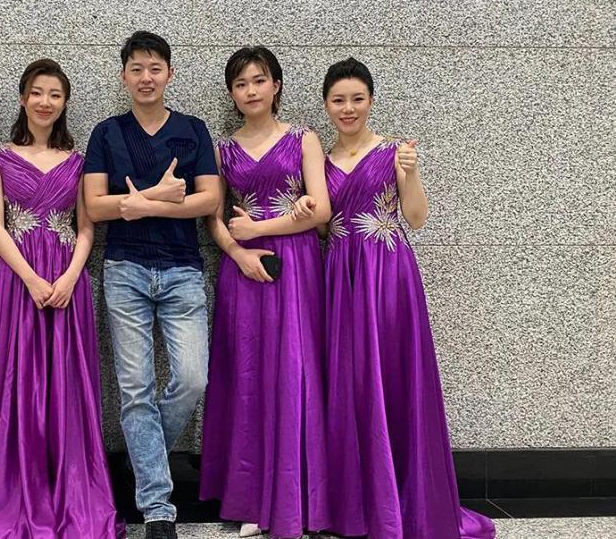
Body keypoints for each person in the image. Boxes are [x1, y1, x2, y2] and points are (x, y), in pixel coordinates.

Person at [321, 57, 496, 539]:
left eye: (357, 98)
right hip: (340, 276)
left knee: (393, 377)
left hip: (387, 275)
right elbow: (320, 224)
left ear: (371, 100)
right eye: (339, 100)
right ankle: (356, 505)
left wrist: (411, 174)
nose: (348, 108)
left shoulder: (394, 153)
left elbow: (416, 219)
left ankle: (400, 501)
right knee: (350, 381)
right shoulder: (319, 161)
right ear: (326, 105)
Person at [0, 59, 124, 538]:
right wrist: (31, 279)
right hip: (17, 279)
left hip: (67, 278)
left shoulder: (78, 160)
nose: (45, 102)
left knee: (66, 384)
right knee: (18, 378)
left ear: (64, 102)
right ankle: (15, 489)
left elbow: (86, 227)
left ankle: (69, 487)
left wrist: (71, 276)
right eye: (37, 92)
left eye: (54, 94)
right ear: (23, 98)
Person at [84, 31, 220, 539]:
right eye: (136, 69)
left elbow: (210, 200)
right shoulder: (106, 133)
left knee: (192, 378)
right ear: (124, 76)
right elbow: (94, 206)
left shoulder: (193, 130)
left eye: (155, 68)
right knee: (135, 388)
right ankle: (158, 510)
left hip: (183, 269)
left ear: (169, 73)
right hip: (124, 269)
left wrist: (140, 203)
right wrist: (158, 197)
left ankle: (143, 459)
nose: (146, 77)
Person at [199, 46, 332, 538]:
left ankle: (300, 496)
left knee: (296, 369)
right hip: (243, 270)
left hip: (296, 266)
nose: (251, 91)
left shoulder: (304, 139)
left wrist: (263, 228)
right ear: (232, 94)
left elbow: (321, 211)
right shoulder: (223, 149)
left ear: (276, 85)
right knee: (249, 374)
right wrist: (239, 251)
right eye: (241, 84)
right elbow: (213, 217)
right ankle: (252, 497)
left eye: (259, 80)